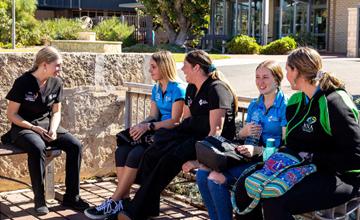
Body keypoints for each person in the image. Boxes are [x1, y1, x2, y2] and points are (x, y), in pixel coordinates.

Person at [236, 47, 360, 220]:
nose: (285, 76)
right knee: (244, 186)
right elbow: (292, 144)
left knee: (275, 201)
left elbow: (355, 156)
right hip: (302, 167)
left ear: (297, 71)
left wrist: (312, 157)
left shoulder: (334, 101)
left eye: (287, 70)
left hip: (339, 176)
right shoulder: (296, 101)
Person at [117, 49, 238, 220]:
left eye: (186, 66)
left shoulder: (217, 89)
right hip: (191, 137)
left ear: (196, 68)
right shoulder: (191, 88)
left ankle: (135, 210)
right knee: (154, 151)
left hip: (210, 144)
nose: (182, 70)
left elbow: (215, 132)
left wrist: (199, 160)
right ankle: (146, 206)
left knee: (168, 159)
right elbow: (186, 122)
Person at [84, 51, 186, 219]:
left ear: (164, 66)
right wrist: (140, 126)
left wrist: (149, 126)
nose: (150, 71)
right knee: (121, 151)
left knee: (135, 154)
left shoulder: (178, 89)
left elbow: (175, 121)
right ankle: (123, 199)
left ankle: (114, 200)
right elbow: (153, 115)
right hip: (154, 133)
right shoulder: (156, 88)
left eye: (153, 67)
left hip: (168, 137)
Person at [183, 60, 287, 220]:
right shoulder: (255, 104)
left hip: (270, 161)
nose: (260, 82)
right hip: (247, 156)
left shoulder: (285, 106)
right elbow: (243, 138)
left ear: (277, 79)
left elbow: (287, 146)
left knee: (215, 178)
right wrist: (243, 133)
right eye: (257, 77)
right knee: (202, 174)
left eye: (265, 77)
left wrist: (259, 150)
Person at [5, 46, 89, 215]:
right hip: (23, 127)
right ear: (44, 64)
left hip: (47, 125)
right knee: (37, 147)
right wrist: (32, 127)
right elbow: (11, 114)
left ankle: (72, 197)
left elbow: (56, 112)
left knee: (75, 145)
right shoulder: (23, 82)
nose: (60, 69)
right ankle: (40, 199)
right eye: (57, 65)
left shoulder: (56, 82)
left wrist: (53, 129)